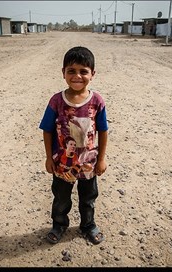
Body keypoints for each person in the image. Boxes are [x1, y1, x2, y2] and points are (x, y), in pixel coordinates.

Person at [39, 46, 108, 245]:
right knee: (61, 199)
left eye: (83, 71)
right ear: (63, 73)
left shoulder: (97, 101)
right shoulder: (56, 101)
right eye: (71, 71)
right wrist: (48, 158)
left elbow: (103, 131)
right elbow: (47, 130)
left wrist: (101, 159)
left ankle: (88, 225)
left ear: (92, 74)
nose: (77, 76)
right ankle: (59, 225)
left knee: (88, 198)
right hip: (62, 164)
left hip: (88, 164)